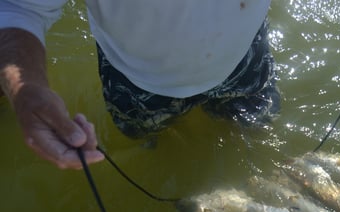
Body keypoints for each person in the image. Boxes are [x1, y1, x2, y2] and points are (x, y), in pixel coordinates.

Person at [0, 1, 280, 169]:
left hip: (245, 56)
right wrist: (25, 87)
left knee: (257, 126)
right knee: (154, 145)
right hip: (137, 81)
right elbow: (19, 7)